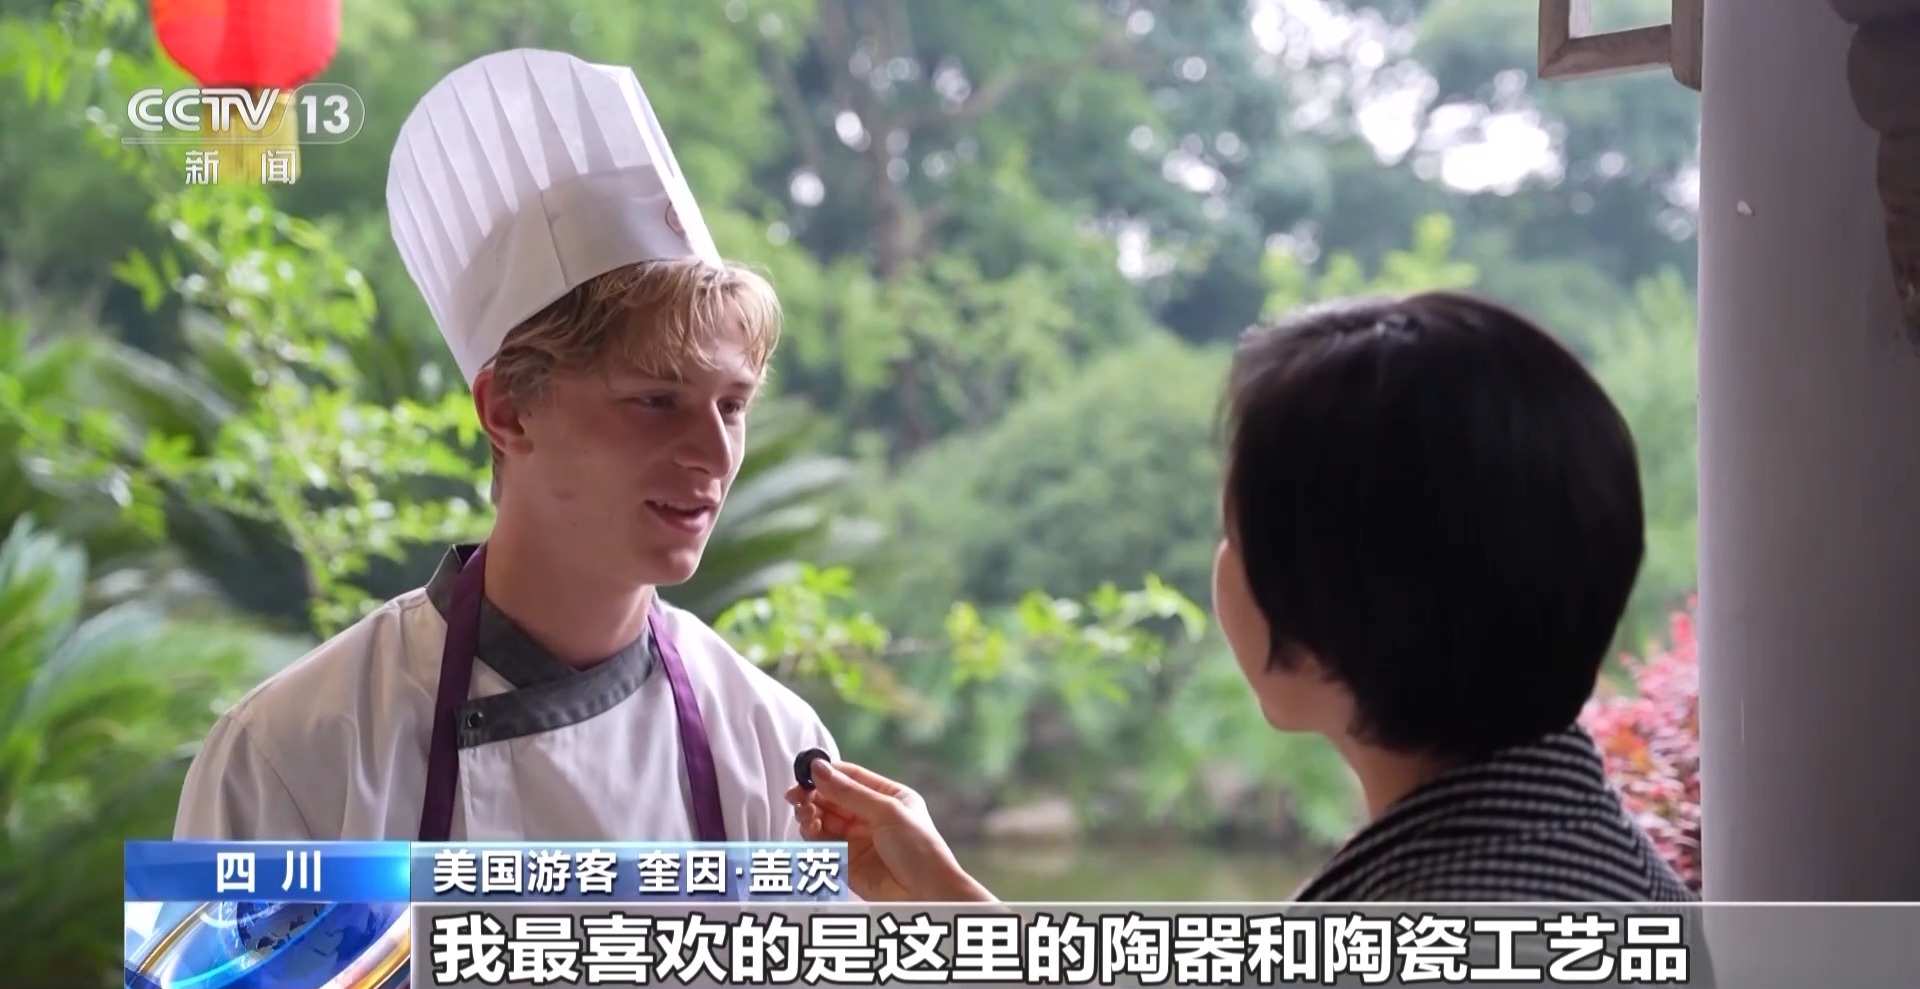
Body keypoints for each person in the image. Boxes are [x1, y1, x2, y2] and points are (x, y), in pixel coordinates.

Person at [790, 291, 1697, 902]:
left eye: (1236, 530)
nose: (1223, 562)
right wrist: (948, 900)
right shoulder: (1605, 869)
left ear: (1322, 610)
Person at [173, 48, 839, 842]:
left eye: (732, 405)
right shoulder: (290, 754)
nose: (714, 453)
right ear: (510, 410)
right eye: (656, 401)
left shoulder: (778, 753)